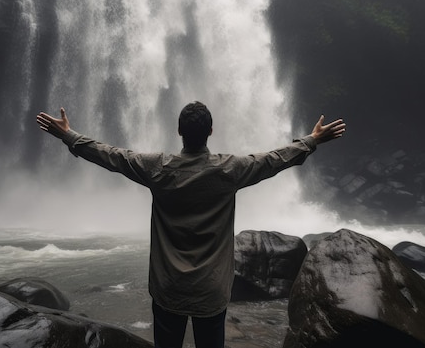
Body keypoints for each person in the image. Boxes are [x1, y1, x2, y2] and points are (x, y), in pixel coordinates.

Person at [36, 102, 346, 348]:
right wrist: (312, 140)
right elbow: (275, 159)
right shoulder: (231, 170)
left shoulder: (157, 167)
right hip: (210, 290)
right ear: (211, 131)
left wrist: (69, 135)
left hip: (168, 287)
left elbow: (111, 156)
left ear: (179, 131)